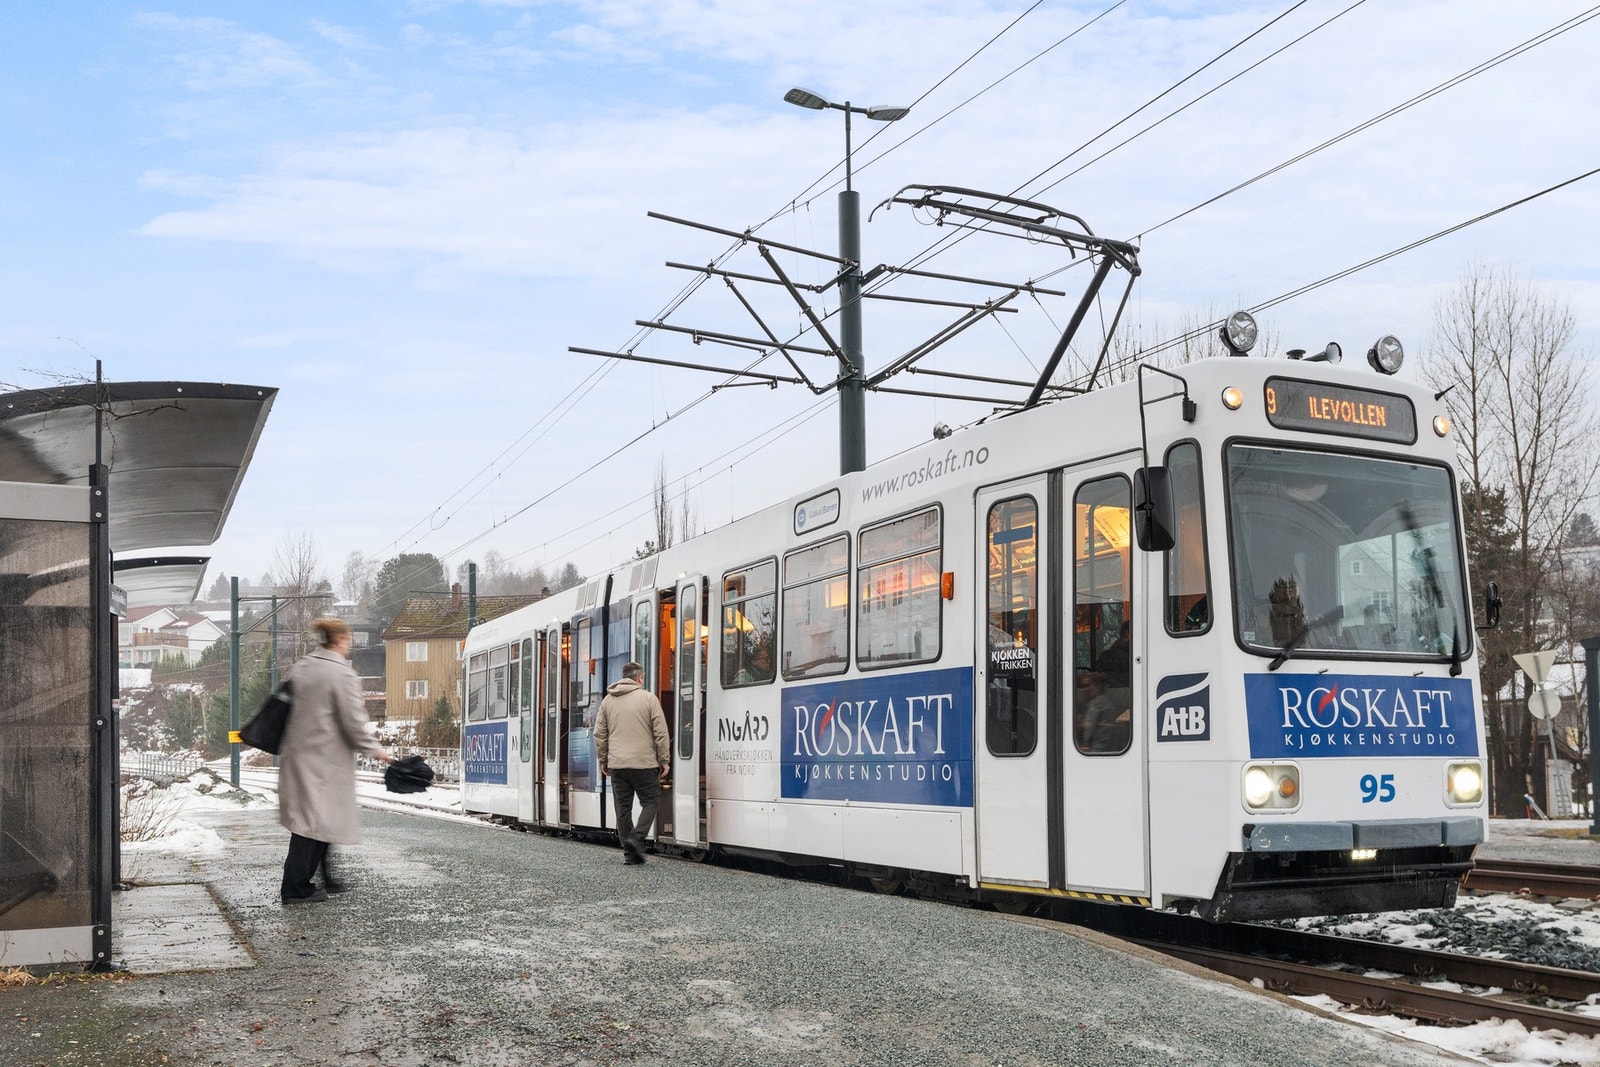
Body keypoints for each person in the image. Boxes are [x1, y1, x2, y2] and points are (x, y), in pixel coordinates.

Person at [278, 617, 395, 904]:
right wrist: (376, 750)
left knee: (316, 819)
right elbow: (352, 722)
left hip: (298, 755)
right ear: (341, 640)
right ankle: (295, 887)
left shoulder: (302, 666)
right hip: (324, 761)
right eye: (349, 639)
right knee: (312, 823)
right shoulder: (341, 674)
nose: (350, 644)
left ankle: (321, 878)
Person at [593, 661, 670, 865]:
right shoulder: (648, 699)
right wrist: (664, 760)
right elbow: (661, 733)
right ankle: (636, 838)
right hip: (644, 763)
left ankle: (629, 854)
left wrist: (604, 760)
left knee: (622, 809)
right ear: (640, 678)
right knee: (651, 802)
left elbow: (599, 734)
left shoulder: (608, 701)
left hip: (618, 765)